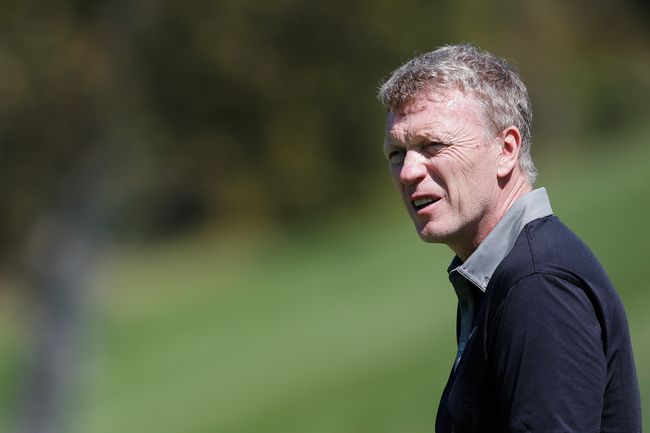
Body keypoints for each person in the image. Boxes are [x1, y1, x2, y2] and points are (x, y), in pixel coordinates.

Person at [377, 44, 641, 432]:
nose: (407, 172)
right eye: (397, 153)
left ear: (506, 149)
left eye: (433, 145)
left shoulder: (539, 285)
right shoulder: (500, 276)